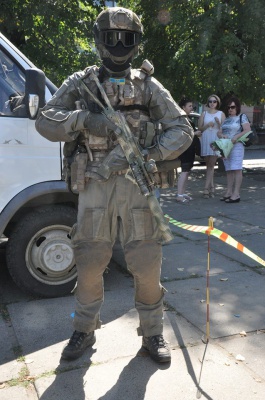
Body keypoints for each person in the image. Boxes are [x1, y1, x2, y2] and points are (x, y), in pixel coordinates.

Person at [35, 7, 193, 364]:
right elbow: (46, 122)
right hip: (94, 183)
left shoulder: (147, 85)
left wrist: (150, 155)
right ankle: (84, 329)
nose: (118, 44)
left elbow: (182, 129)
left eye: (127, 38)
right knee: (89, 261)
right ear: (99, 40)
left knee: (146, 262)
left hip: (137, 185)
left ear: (136, 43)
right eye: (111, 37)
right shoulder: (82, 82)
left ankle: (152, 334)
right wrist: (84, 119)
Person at [217, 96, 251, 203]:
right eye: (228, 107)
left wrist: (236, 137)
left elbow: (247, 129)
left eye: (232, 107)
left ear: (237, 107)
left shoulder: (242, 117)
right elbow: (219, 132)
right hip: (226, 146)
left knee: (236, 169)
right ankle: (229, 192)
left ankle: (236, 194)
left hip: (237, 146)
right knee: (229, 170)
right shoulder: (226, 119)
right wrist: (222, 135)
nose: (230, 109)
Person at [198, 94, 225, 198]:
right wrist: (207, 125)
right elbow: (200, 129)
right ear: (208, 102)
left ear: (217, 103)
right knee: (208, 164)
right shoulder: (204, 113)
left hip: (215, 140)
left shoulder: (221, 114)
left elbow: (224, 129)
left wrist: (218, 124)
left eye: (214, 101)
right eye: (210, 101)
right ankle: (212, 187)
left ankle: (205, 189)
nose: (212, 103)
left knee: (212, 164)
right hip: (206, 139)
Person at [176, 97, 201, 203]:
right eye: (189, 106)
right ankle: (179, 195)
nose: (192, 108)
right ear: (183, 107)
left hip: (190, 148)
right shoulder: (181, 119)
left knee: (187, 171)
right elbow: (183, 135)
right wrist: (195, 133)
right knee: (184, 172)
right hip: (185, 149)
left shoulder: (187, 118)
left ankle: (183, 192)